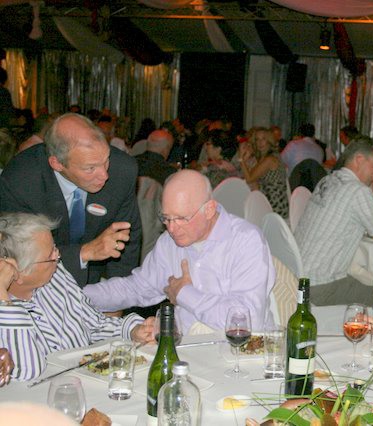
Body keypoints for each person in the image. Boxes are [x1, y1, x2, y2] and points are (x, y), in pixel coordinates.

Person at [83, 170, 275, 334]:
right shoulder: (169, 243)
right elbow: (136, 288)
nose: (172, 228)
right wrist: (76, 296)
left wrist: (184, 293)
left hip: (241, 353)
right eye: (166, 218)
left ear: (209, 209)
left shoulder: (245, 241)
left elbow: (246, 321)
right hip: (186, 352)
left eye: (182, 218)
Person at [0, 212, 154, 381]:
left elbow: (94, 324)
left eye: (55, 248)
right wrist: (5, 303)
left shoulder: (55, 276)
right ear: (16, 271)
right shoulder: (4, 308)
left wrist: (132, 329)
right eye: (49, 257)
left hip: (85, 383)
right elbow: (27, 372)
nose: (57, 256)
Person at [0, 113, 142, 287]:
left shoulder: (123, 170)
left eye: (106, 160)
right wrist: (84, 253)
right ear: (57, 164)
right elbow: (21, 258)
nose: (104, 175)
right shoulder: (20, 181)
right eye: (90, 168)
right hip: (39, 284)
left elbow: (127, 244)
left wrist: (117, 294)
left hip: (97, 279)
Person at [294, 137, 373, 307]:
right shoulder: (358, 191)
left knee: (362, 277)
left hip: (297, 277)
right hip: (320, 287)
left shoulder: (328, 180)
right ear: (359, 160)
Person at [240, 127, 289, 218]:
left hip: (275, 205)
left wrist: (241, 159)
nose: (260, 142)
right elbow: (252, 179)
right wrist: (246, 159)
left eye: (263, 139)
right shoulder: (263, 157)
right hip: (268, 201)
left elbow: (249, 179)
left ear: (269, 141)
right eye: (257, 139)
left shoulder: (270, 159)